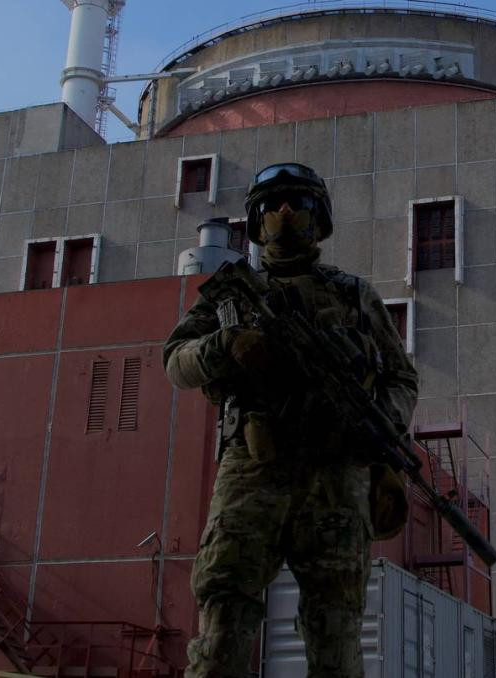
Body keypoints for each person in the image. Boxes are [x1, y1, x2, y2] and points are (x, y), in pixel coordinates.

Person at [163, 162, 418, 678]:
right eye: (273, 207)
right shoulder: (231, 294)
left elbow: (401, 379)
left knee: (337, 639)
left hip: (335, 475)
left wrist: (379, 433)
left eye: (297, 205)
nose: (285, 215)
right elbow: (176, 362)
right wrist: (224, 345)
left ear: (318, 219)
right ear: (255, 222)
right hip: (254, 470)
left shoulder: (353, 294)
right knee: (221, 629)